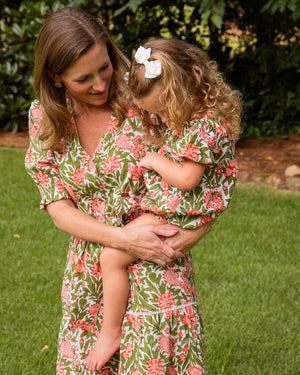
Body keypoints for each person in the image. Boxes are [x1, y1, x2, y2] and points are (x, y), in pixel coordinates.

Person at [25, 7, 214, 375]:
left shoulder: (148, 97)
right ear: (55, 76)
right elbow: (59, 208)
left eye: (105, 67)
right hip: (89, 272)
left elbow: (207, 172)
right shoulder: (45, 119)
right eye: (83, 78)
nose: (100, 84)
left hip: (157, 260)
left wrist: (188, 235)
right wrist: (124, 239)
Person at [85, 39, 242, 371]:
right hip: (173, 211)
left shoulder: (203, 127)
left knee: (111, 257)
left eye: (161, 109)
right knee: (115, 255)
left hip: (174, 213)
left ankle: (110, 332)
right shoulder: (201, 116)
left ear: (188, 84)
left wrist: (154, 159)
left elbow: (187, 179)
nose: (159, 117)